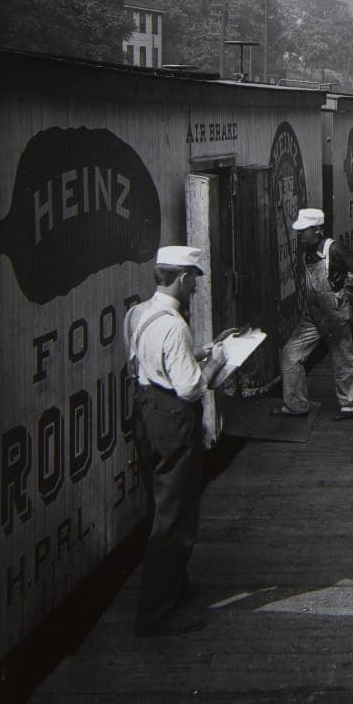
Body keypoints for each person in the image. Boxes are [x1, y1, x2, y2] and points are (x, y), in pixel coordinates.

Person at [123, 245, 227, 636]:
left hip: (145, 414)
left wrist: (196, 351)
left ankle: (173, 586)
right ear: (182, 279)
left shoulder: (138, 314)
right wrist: (216, 361)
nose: (195, 288)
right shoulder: (175, 325)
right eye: (194, 281)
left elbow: (147, 361)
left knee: (159, 506)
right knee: (177, 517)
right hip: (172, 422)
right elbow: (189, 388)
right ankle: (157, 613)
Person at [273, 208, 353, 422]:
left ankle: (351, 405)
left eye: (304, 231)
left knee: (343, 358)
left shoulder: (334, 250)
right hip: (313, 315)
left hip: (334, 314)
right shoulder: (308, 250)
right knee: (290, 354)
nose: (299, 235)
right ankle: (295, 404)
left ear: (317, 230)